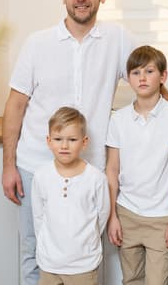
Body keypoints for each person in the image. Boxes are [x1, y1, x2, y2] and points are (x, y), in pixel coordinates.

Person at [2, 0, 136, 285]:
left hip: (91, 170)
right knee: (34, 250)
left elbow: (148, 80)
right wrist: (9, 165)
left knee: (88, 251)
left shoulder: (118, 39)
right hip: (35, 166)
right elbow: (16, 105)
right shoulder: (37, 43)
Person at [105, 45, 168, 285]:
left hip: (163, 217)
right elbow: (112, 171)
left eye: (149, 71)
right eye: (135, 72)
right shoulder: (118, 119)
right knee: (131, 280)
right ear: (128, 79)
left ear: (163, 76)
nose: (142, 77)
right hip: (127, 214)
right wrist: (112, 216)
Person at [32, 107, 109, 285]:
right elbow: (38, 217)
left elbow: (102, 216)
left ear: (84, 142)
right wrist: (47, 248)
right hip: (49, 264)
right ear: (49, 141)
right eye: (58, 139)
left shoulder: (96, 178)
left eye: (72, 140)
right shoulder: (41, 176)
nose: (64, 146)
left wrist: (87, 244)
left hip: (83, 265)